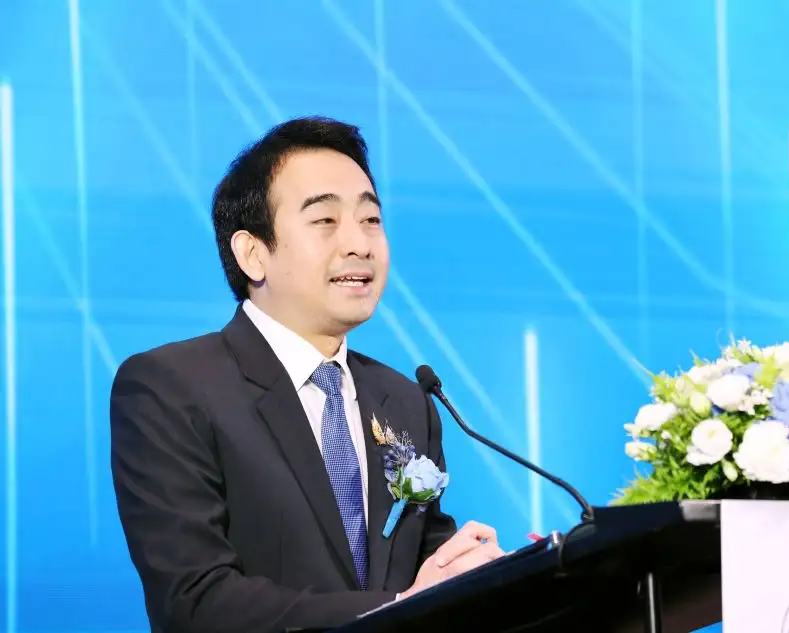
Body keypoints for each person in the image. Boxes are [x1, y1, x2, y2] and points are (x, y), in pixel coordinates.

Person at [109, 116, 505, 633]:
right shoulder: (171, 388)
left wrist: (482, 575)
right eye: (325, 220)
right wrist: (397, 606)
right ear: (253, 253)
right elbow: (195, 601)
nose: (360, 244)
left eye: (370, 219)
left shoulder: (406, 401)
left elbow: (429, 568)